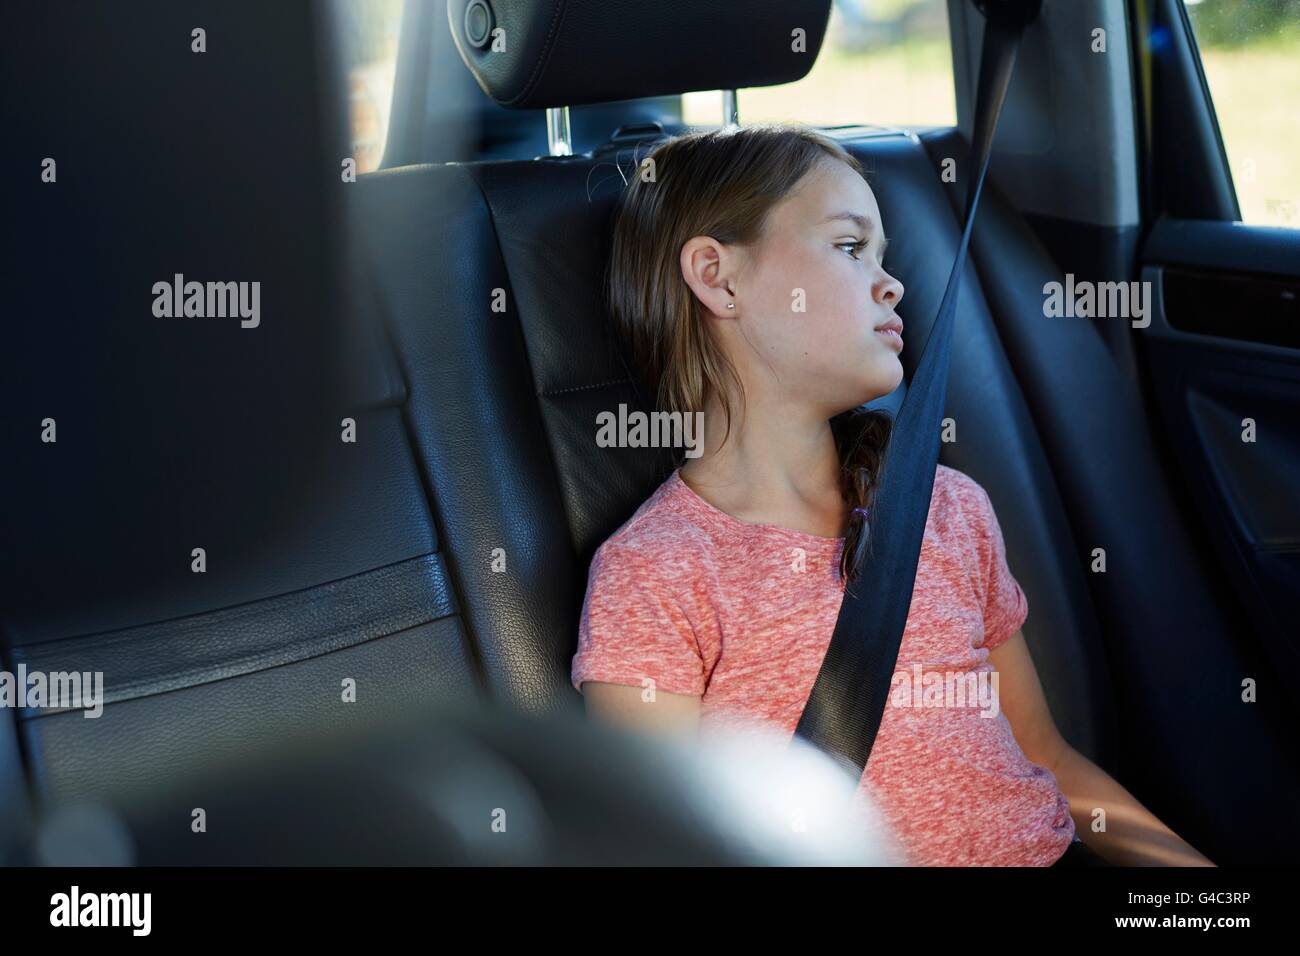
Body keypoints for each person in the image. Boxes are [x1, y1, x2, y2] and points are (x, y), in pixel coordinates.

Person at [572, 122, 1213, 867]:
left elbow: (1052, 764)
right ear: (719, 276)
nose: (893, 281)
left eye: (883, 252)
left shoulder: (948, 510)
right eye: (850, 247)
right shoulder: (654, 575)